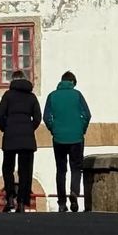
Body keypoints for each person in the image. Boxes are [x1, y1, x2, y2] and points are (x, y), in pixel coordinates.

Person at [43, 70, 91, 213]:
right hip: (76, 137)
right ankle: (74, 193)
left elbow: (46, 117)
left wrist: (53, 128)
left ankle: (62, 203)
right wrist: (82, 128)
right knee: (76, 168)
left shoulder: (52, 96)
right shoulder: (77, 95)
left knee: (61, 170)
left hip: (59, 138)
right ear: (73, 82)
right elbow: (87, 114)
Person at [0, 69, 42, 213]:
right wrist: (29, 128)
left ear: (12, 81)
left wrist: (5, 128)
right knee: (25, 171)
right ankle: (22, 201)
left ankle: (10, 197)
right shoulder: (31, 97)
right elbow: (38, 117)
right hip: (27, 139)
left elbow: (0, 114)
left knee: (8, 168)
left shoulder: (8, 95)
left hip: (10, 136)